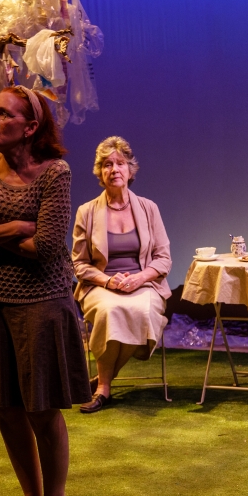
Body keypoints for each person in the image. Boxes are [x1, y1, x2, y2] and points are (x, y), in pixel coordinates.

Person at [0, 85, 91, 496]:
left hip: (41, 301)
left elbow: (48, 247)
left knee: (41, 407)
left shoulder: (55, 173)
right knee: (7, 406)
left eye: (3, 114)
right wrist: (15, 226)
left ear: (30, 127)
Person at [71, 136, 172, 413]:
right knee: (109, 311)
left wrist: (139, 278)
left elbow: (163, 259)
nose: (114, 169)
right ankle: (104, 388)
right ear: (100, 172)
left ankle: (104, 380)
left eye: (120, 163)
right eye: (107, 164)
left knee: (143, 311)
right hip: (100, 286)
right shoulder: (86, 212)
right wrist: (108, 280)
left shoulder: (149, 209)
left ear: (130, 169)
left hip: (144, 284)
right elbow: (79, 264)